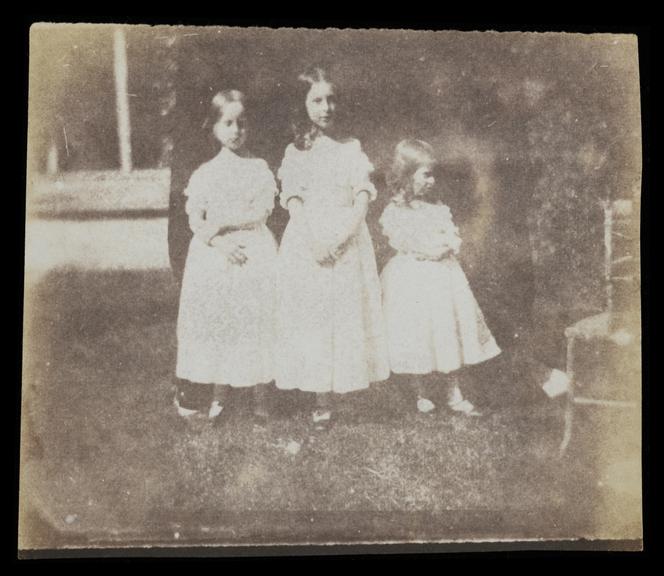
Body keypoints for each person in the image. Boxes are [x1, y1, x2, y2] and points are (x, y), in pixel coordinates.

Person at [274, 67, 390, 430]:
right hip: (308, 241)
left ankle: (347, 387)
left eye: (331, 99)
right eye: (317, 100)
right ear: (303, 105)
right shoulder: (296, 153)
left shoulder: (351, 149)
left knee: (345, 314)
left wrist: (341, 238)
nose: (326, 107)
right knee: (314, 316)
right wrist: (314, 242)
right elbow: (292, 199)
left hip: (347, 239)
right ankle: (320, 397)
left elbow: (362, 198)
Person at [175, 90, 278, 420]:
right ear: (215, 128)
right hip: (216, 254)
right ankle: (221, 392)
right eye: (228, 123)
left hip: (253, 249)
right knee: (222, 320)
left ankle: (261, 393)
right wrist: (218, 242)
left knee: (255, 320)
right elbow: (195, 218)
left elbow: (262, 211)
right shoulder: (205, 172)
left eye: (242, 123)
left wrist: (225, 223)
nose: (236, 130)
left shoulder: (259, 167)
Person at [379, 140, 501, 416]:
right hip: (413, 277)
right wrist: (429, 250)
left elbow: (450, 236)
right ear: (407, 176)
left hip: (442, 278)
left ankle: (454, 391)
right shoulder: (396, 212)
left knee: (447, 331)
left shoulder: (438, 209)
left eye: (433, 174)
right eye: (425, 174)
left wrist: (447, 245)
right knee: (416, 333)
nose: (432, 181)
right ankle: (421, 390)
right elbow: (404, 241)